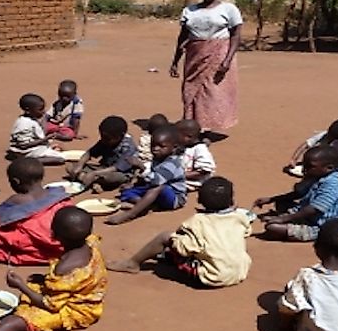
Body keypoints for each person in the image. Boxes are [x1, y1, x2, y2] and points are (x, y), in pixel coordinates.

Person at [107, 177, 252, 287]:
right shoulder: (240, 217)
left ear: (199, 201)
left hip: (212, 276)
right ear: (232, 201)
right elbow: (245, 232)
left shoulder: (198, 221)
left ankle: (132, 263)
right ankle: (166, 256)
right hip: (240, 272)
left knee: (166, 238)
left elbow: (184, 247)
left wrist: (176, 241)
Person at [170, 0, 242, 132]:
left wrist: (227, 60)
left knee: (213, 92)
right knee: (190, 90)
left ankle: (207, 128)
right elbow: (182, 36)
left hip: (218, 54)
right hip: (194, 55)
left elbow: (236, 35)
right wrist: (175, 61)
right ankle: (191, 124)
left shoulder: (229, 9)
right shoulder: (190, 10)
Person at [254, 146, 338, 242]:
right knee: (281, 202)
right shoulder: (316, 176)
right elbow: (298, 193)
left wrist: (283, 219)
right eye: (304, 165)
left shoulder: (332, 185)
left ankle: (290, 229)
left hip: (319, 225)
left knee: (272, 227)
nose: (304, 169)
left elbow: (314, 209)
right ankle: (289, 221)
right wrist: (271, 199)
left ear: (329, 168)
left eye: (310, 166)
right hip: (306, 213)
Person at [106, 125, 187, 226]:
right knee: (126, 191)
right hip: (156, 192)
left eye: (161, 146)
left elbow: (156, 181)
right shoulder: (158, 158)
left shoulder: (172, 163)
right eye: (153, 145)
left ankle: (131, 213)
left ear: (174, 147)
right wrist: (134, 184)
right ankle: (144, 205)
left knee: (158, 188)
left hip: (174, 198)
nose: (155, 149)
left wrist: (141, 167)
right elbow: (149, 179)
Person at [67, 116, 138, 192]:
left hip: (119, 173)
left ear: (121, 135)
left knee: (112, 178)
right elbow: (89, 153)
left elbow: (116, 168)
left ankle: (88, 179)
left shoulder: (128, 147)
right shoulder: (105, 140)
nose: (103, 140)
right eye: (102, 137)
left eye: (108, 138)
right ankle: (92, 181)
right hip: (102, 169)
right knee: (71, 167)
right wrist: (79, 165)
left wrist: (94, 173)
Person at [6, 93, 65, 166]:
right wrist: (46, 139)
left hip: (30, 148)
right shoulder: (24, 124)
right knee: (60, 159)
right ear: (28, 110)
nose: (43, 111)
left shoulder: (29, 119)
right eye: (40, 109)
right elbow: (23, 145)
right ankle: (31, 160)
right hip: (26, 152)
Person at [176, 119, 216, 191]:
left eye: (176, 135)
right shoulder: (183, 146)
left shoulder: (200, 149)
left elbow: (204, 170)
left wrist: (180, 176)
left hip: (194, 183)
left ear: (188, 137)